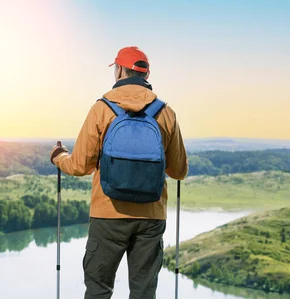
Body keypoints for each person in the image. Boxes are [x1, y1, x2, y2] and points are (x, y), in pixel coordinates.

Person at [50, 46, 188, 299]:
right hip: (151, 215)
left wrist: (59, 158)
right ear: (145, 75)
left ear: (120, 71)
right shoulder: (165, 113)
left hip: (107, 214)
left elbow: (80, 165)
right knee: (144, 291)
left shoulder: (102, 109)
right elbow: (178, 171)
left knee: (99, 289)